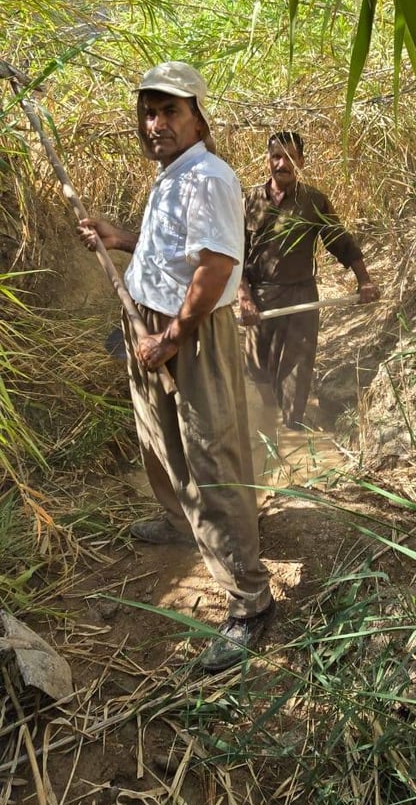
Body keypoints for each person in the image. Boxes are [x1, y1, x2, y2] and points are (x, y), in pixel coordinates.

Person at [78, 62, 274, 672]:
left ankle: (250, 600)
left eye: (169, 111)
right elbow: (171, 249)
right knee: (158, 441)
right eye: (148, 111)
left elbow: (214, 268)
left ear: (198, 117)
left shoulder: (210, 177)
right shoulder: (171, 175)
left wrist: (173, 335)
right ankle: (179, 520)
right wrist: (120, 239)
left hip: (185, 335)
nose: (155, 123)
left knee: (209, 456)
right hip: (150, 326)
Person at [239, 131, 379, 430]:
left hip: (301, 298)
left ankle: (293, 427)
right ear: (267, 160)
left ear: (301, 161)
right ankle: (266, 426)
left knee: (295, 369)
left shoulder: (313, 201)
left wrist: (364, 281)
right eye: (276, 156)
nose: (282, 163)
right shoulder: (250, 201)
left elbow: (340, 242)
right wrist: (244, 296)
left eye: (290, 157)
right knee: (257, 371)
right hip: (259, 299)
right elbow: (235, 255)